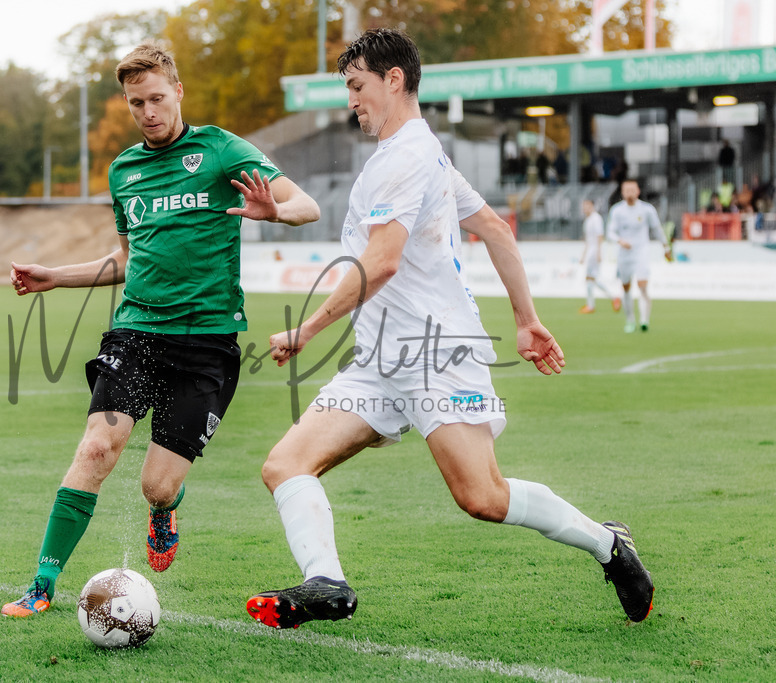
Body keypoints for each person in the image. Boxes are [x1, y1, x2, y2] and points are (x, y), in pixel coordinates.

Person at [245, 28, 654, 631]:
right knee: (285, 464)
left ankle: (608, 543)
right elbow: (495, 230)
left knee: (482, 497)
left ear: (394, 79)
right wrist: (525, 320)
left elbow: (382, 262)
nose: (351, 101)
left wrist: (307, 329)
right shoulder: (418, 154)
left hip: (437, 354)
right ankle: (326, 582)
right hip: (382, 361)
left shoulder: (409, 157)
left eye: (357, 86)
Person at [1, 42, 320, 617]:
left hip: (206, 345)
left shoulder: (221, 150)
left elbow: (308, 206)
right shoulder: (124, 171)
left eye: (155, 98)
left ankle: (162, 511)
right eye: (134, 103)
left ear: (177, 92)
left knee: (158, 485)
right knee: (98, 447)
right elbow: (128, 259)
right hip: (136, 333)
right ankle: (42, 585)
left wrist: (275, 211)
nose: (147, 111)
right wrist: (56, 277)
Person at [605, 179, 672, 334]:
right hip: (624, 254)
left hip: (641, 252)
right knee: (626, 287)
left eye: (632, 190)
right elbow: (610, 232)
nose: (629, 193)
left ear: (638, 191)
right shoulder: (617, 211)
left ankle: (644, 320)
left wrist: (665, 246)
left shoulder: (646, 209)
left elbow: (657, 228)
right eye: (626, 190)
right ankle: (630, 320)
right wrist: (620, 240)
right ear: (622, 192)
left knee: (642, 286)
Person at [578, 198, 621, 314]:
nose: (584, 209)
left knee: (591, 278)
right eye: (583, 207)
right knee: (591, 279)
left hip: (594, 253)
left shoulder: (596, 219)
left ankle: (609, 299)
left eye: (587, 206)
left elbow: (599, 236)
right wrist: (583, 255)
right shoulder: (587, 220)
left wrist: (598, 253)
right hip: (591, 252)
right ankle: (593, 304)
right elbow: (588, 240)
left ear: (592, 206)